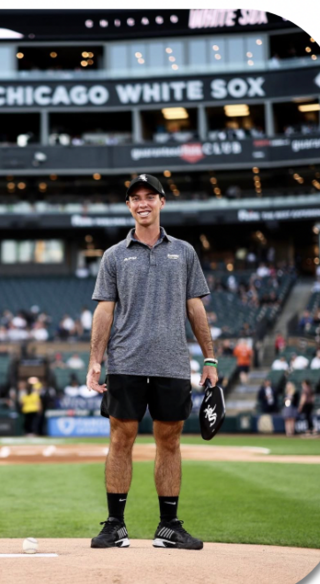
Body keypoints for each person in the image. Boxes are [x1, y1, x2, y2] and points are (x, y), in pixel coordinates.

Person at [88, 173, 215, 551]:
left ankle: (169, 526)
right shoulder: (113, 255)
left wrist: (209, 357)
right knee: (120, 439)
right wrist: (96, 360)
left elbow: (196, 307)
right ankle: (115, 525)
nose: (143, 203)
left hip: (173, 363)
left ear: (162, 202)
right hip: (125, 362)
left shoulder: (185, 251)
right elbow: (104, 312)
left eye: (150, 196)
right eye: (135, 198)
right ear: (128, 205)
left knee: (170, 443)